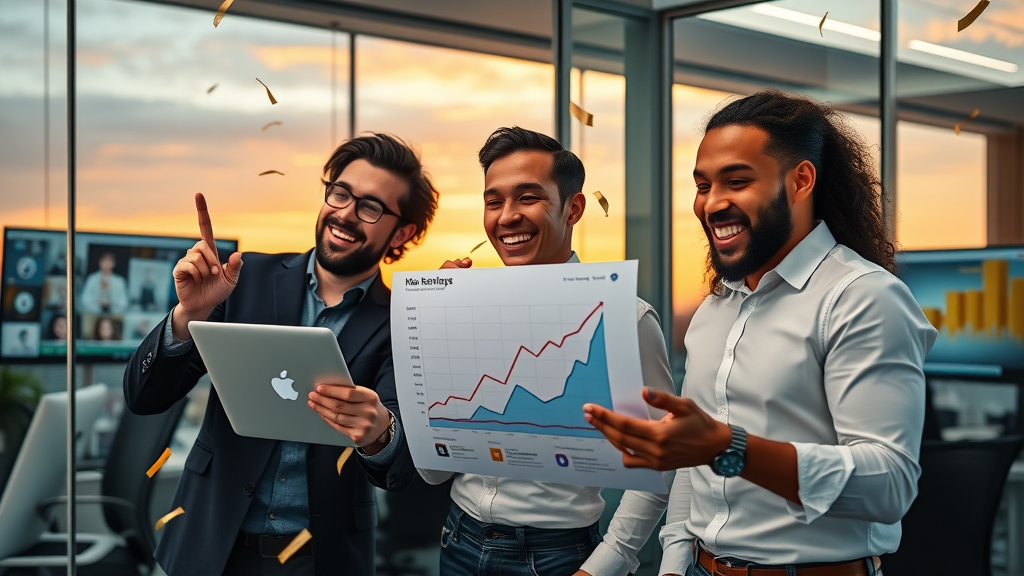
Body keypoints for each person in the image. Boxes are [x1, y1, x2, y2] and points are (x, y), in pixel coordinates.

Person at [583, 90, 938, 576]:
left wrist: (728, 447)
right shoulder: (715, 310)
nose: (712, 203)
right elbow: (692, 464)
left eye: (737, 181)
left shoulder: (863, 298)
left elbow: (888, 485)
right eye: (703, 185)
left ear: (801, 180)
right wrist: (674, 561)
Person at [123, 133, 439, 576]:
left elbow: (400, 472)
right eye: (340, 193)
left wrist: (380, 433)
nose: (345, 213)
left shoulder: (404, 322)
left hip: (320, 561)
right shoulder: (242, 278)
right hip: (206, 545)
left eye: (370, 207)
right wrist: (187, 315)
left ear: (402, 231)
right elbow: (144, 398)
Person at [420, 126, 674, 576]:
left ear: (573, 208)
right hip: (457, 540)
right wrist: (440, 323)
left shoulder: (626, 319)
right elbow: (433, 471)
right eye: (493, 201)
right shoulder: (465, 307)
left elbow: (660, 462)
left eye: (528, 197)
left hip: (558, 557)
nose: (506, 217)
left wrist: (607, 563)